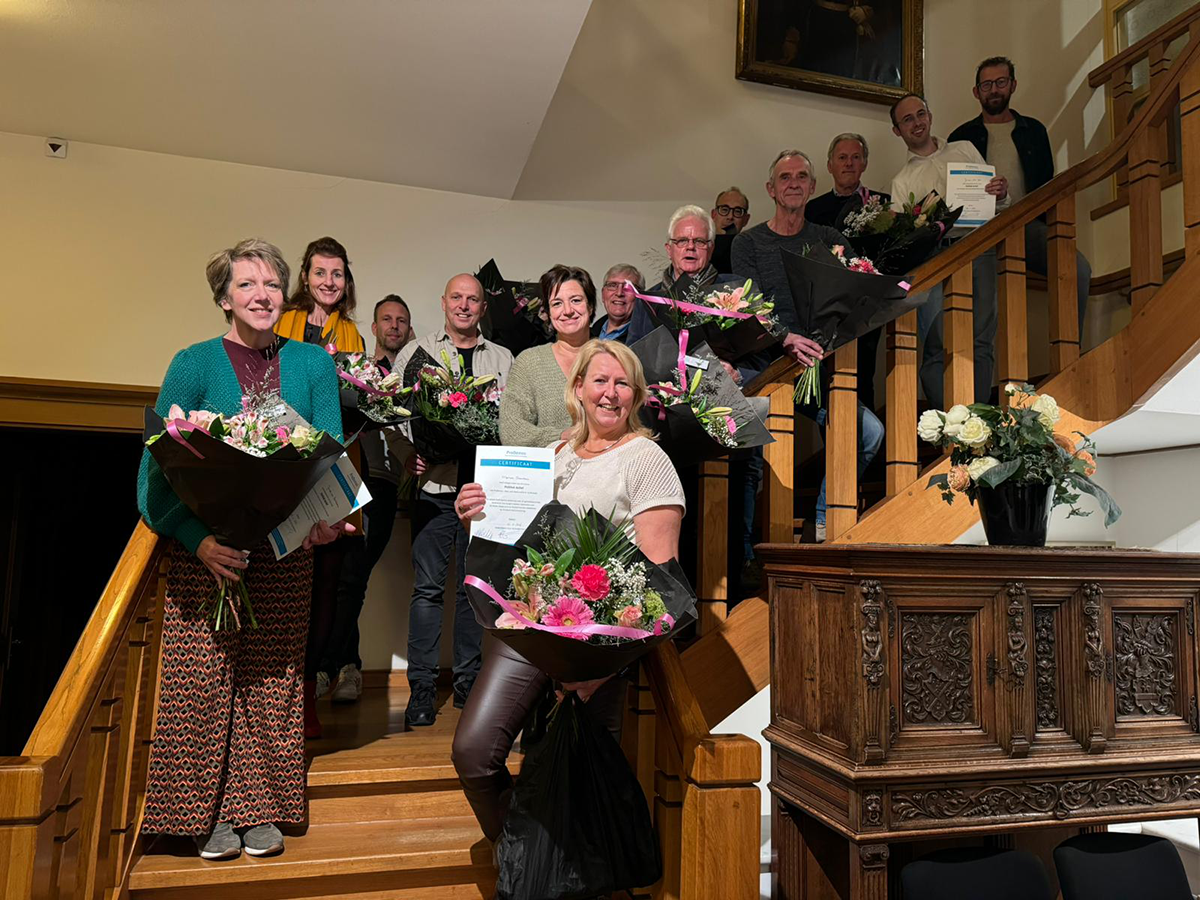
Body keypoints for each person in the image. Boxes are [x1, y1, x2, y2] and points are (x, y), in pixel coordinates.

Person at [137, 239, 347, 860]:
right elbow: (154, 475)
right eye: (247, 285)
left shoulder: (313, 365)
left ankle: (257, 808)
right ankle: (194, 816)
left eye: (272, 285)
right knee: (200, 683)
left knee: (273, 680)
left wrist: (325, 521)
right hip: (211, 558)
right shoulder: (193, 363)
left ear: (287, 295)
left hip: (286, 554)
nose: (261, 295)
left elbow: (329, 457)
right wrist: (199, 541)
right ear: (225, 297)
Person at [451, 339, 685, 845]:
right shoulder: (551, 455)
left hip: (596, 651)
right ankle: (518, 856)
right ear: (577, 389)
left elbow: (661, 584)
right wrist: (476, 513)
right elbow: (516, 543)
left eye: (622, 383)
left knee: (572, 795)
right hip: (527, 631)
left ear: (637, 395)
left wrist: (601, 671)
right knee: (473, 754)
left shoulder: (646, 458)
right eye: (599, 380)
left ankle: (541, 873)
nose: (610, 392)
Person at [732, 150, 885, 542]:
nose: (794, 183)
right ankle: (749, 551)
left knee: (868, 433)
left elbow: (856, 295)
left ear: (813, 187)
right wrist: (785, 337)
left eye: (802, 177)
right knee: (746, 455)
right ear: (771, 188)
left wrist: (831, 336)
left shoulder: (829, 238)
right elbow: (747, 305)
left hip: (818, 366)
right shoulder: (748, 244)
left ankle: (820, 522)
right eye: (785, 178)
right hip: (767, 367)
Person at [386, 274, 514, 727]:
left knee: (472, 593)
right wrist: (406, 457)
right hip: (435, 491)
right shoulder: (416, 354)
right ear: (443, 303)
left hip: (483, 498)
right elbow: (394, 413)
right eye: (456, 297)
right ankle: (420, 689)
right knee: (427, 590)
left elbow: (512, 425)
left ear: (483, 307)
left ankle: (467, 686)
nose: (464, 305)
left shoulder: (503, 359)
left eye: (473, 299)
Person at [273, 237, 367, 739]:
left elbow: (354, 400)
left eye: (337, 274)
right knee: (282, 579)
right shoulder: (280, 321)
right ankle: (276, 695)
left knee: (328, 583)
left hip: (335, 463)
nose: (329, 282)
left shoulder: (352, 333)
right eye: (320, 272)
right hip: (284, 463)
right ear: (304, 277)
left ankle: (308, 690)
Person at [948, 55, 1091, 339]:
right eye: (986, 84)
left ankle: (1069, 348)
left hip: (1026, 225)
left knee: (1077, 268)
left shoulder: (1034, 131)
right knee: (979, 302)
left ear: (1013, 85)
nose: (994, 90)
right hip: (977, 232)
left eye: (1000, 82)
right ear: (976, 92)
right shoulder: (960, 137)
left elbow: (1047, 185)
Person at [889, 93, 1010, 407]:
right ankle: (948, 426)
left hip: (977, 247)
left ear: (930, 115)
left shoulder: (965, 149)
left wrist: (999, 193)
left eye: (921, 114)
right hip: (935, 260)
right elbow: (902, 240)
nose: (917, 123)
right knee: (935, 345)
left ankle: (980, 420)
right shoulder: (902, 181)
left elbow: (994, 201)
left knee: (981, 338)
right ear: (897, 130)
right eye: (908, 119)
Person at [322, 295, 414, 704]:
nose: (394, 326)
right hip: (343, 479)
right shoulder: (349, 369)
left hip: (384, 486)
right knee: (339, 579)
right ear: (373, 328)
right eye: (386, 320)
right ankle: (342, 667)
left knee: (353, 577)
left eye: (401, 321)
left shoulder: (413, 379)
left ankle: (331, 667)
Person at [805, 133, 891, 410]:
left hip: (866, 306)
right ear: (830, 165)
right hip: (824, 308)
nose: (849, 163)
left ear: (865, 163)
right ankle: (833, 446)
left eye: (856, 157)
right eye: (842, 158)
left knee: (865, 373)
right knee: (824, 378)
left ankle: (863, 449)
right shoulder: (812, 209)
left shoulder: (883, 205)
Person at [501, 265, 596, 446]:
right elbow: (511, 432)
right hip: (550, 471)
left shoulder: (612, 358)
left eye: (576, 300)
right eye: (557, 303)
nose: (567, 310)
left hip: (608, 470)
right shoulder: (529, 363)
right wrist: (561, 437)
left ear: (590, 306)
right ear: (548, 313)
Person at [591, 264, 648, 343]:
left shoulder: (646, 339)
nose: (619, 293)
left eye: (628, 287)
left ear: (640, 296)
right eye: (612, 285)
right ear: (603, 294)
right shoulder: (587, 335)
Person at [711, 187, 751, 274]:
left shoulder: (751, 250)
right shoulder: (701, 248)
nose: (730, 217)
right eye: (724, 210)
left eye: (737, 211)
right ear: (714, 215)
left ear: (746, 219)